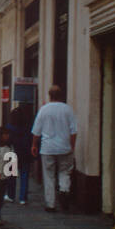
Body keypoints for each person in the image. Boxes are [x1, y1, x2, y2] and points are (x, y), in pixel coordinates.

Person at [31, 85, 78, 213]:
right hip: (64, 147)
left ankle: (50, 204)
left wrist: (34, 145)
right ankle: (64, 190)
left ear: (49, 95)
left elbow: (36, 131)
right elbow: (73, 131)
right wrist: (72, 146)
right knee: (64, 172)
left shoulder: (44, 110)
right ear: (61, 95)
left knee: (49, 176)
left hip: (47, 148)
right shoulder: (67, 109)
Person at [6, 104, 33, 204]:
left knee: (11, 176)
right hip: (24, 153)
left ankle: (10, 195)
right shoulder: (28, 128)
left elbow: (7, 141)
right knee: (24, 175)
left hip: (12, 153)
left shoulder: (9, 127)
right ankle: (23, 198)